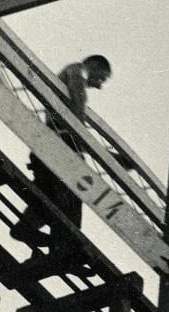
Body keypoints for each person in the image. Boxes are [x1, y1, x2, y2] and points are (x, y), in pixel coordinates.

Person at [9, 55, 112, 269]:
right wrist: (79, 126)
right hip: (59, 146)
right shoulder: (77, 71)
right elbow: (77, 98)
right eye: (102, 78)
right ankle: (64, 249)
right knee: (71, 196)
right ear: (95, 67)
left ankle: (29, 228)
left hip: (47, 147)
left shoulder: (73, 75)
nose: (100, 85)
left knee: (50, 194)